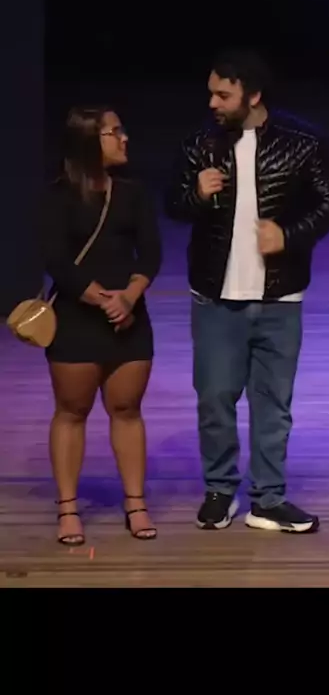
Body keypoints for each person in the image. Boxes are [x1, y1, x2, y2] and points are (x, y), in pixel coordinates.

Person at [165, 49, 329, 533]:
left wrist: (289, 234)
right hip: (215, 297)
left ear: (253, 95)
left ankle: (268, 498)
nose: (213, 103)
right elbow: (173, 205)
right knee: (215, 399)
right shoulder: (200, 145)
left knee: (272, 404)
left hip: (279, 296)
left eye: (223, 94)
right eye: (211, 93)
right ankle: (219, 491)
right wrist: (196, 194)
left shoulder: (303, 142)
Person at [43, 106, 162, 545]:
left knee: (127, 410)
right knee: (71, 412)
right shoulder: (57, 196)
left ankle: (136, 504)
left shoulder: (133, 193)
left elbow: (151, 252)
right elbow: (55, 258)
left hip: (129, 318)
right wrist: (99, 297)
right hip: (77, 319)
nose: (124, 138)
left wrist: (129, 296)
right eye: (115, 132)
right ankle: (68, 508)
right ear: (89, 142)